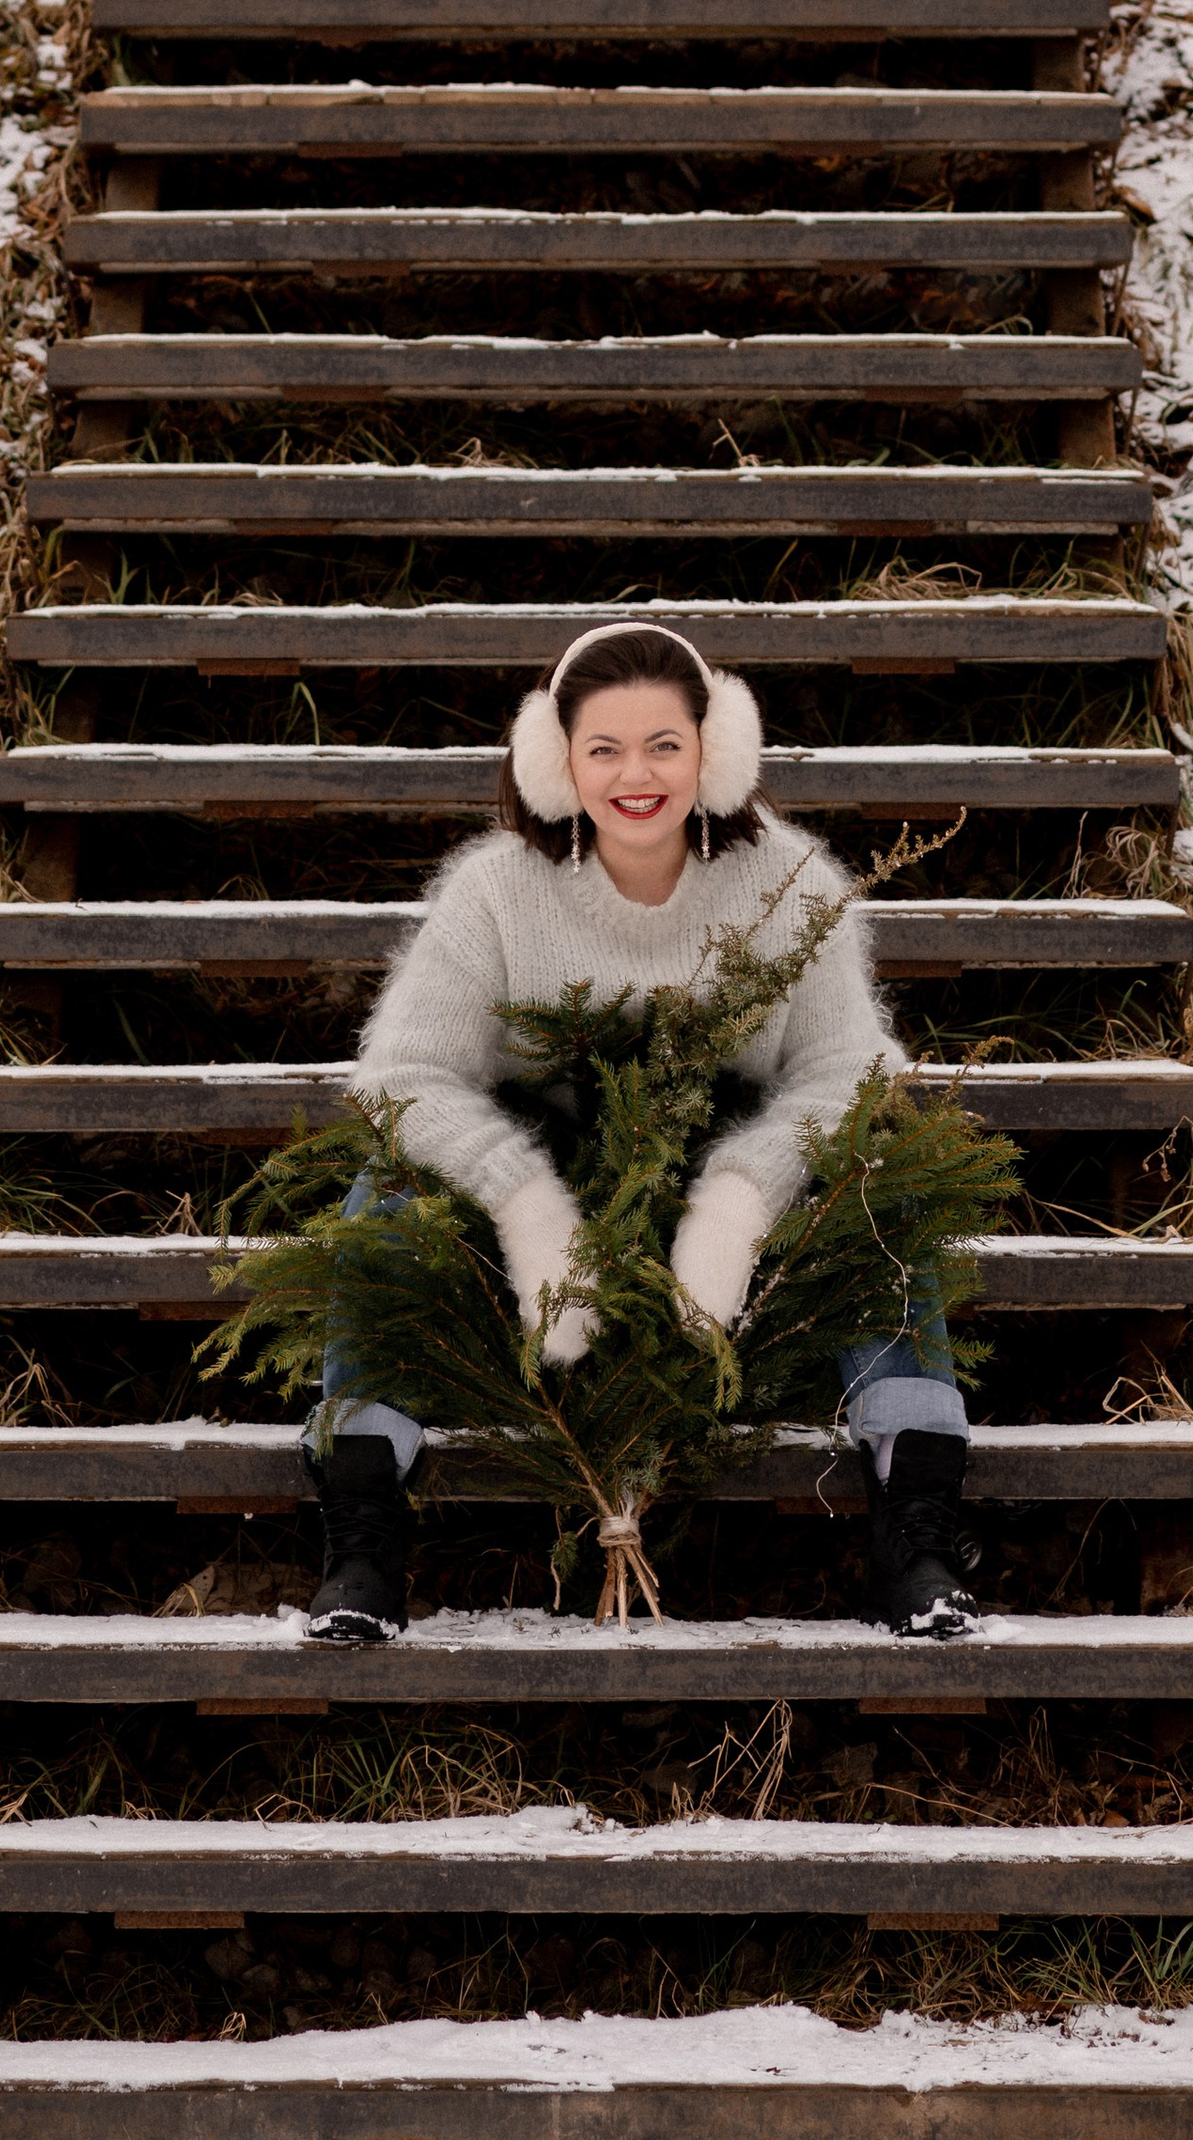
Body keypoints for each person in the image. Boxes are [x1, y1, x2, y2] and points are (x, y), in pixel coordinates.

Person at [301, 619, 977, 1645]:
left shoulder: (789, 880)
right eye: (604, 747)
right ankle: (361, 1539)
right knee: (384, 1188)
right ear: (555, 759)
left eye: (664, 742)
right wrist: (526, 1203)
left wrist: (742, 1196)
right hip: (543, 1260)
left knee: (881, 1185)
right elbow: (399, 1076)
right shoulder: (492, 888)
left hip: (737, 1277)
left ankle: (915, 1534)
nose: (636, 773)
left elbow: (849, 1070)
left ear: (715, 749)